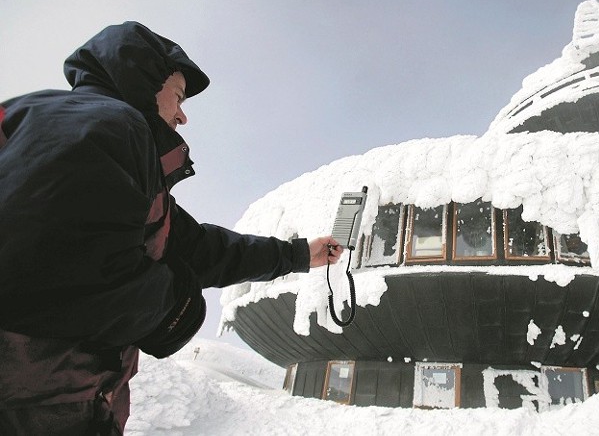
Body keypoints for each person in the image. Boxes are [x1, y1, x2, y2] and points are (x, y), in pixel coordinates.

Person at [0, 22, 342, 434]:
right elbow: (55, 265)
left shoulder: (32, 115)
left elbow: (201, 249)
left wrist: (300, 254)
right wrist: (175, 308)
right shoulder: (105, 127)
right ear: (141, 79)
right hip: (38, 401)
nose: (182, 114)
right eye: (177, 96)